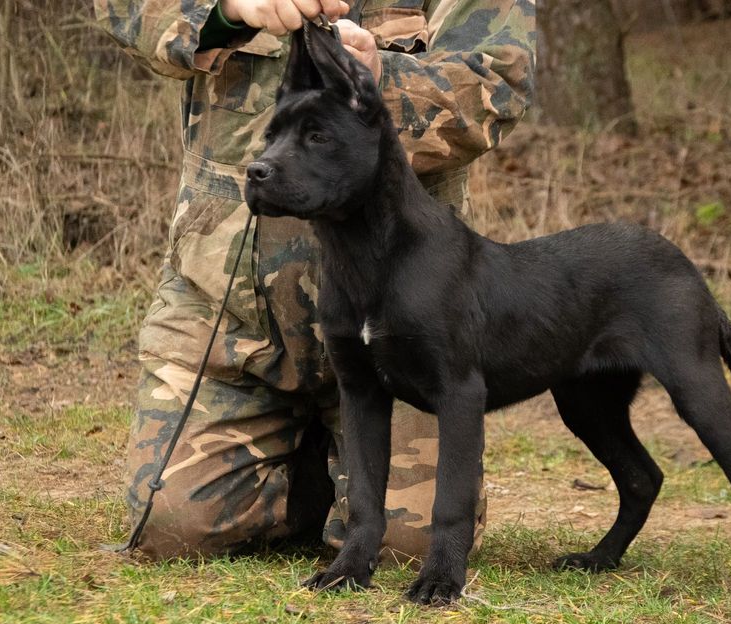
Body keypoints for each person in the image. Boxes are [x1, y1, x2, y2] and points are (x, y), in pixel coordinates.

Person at [93, 0, 536, 561]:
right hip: (229, 320)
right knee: (174, 525)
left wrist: (378, 81)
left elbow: (500, 81)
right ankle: (309, 472)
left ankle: (339, 462)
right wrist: (225, 9)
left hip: (405, 328)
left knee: (409, 547)